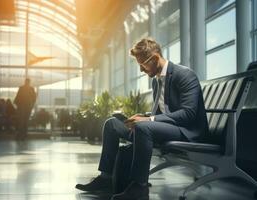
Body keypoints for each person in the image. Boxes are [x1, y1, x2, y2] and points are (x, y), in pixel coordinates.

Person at [75, 38, 209, 200]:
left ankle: (140, 187)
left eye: (143, 64)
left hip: (186, 131)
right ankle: (106, 178)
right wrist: (143, 117)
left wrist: (149, 121)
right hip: (166, 128)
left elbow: (188, 115)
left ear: (154, 58)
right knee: (112, 124)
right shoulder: (156, 81)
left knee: (143, 128)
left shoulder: (185, 75)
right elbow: (161, 112)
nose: (141, 70)